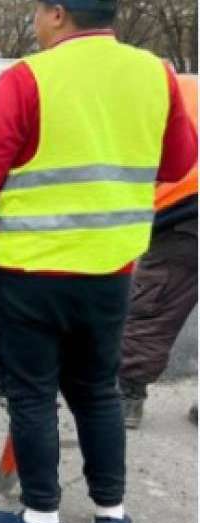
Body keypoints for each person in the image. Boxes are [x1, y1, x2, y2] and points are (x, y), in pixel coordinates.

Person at [0, 0, 195, 523]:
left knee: (32, 394)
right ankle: (111, 516)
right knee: (98, 391)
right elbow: (177, 162)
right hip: (111, 269)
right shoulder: (154, 72)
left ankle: (42, 518)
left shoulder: (28, 78)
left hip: (31, 271)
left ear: (56, 14)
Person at [119, 73, 198, 429]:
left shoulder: (146, 94)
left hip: (185, 213)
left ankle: (128, 395)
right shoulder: (182, 86)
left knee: (155, 304)